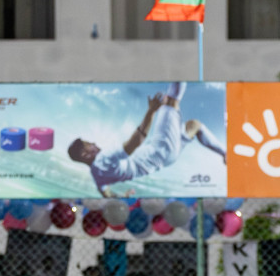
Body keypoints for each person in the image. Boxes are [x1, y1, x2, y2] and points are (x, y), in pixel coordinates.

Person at [68, 82, 227, 195]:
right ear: (84, 155)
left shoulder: (96, 175)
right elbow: (136, 141)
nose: (94, 143)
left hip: (166, 160)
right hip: (160, 150)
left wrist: (122, 197)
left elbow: (106, 193)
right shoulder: (103, 159)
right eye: (89, 145)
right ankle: (182, 66)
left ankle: (225, 154)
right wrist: (151, 111)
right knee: (170, 101)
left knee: (194, 125)